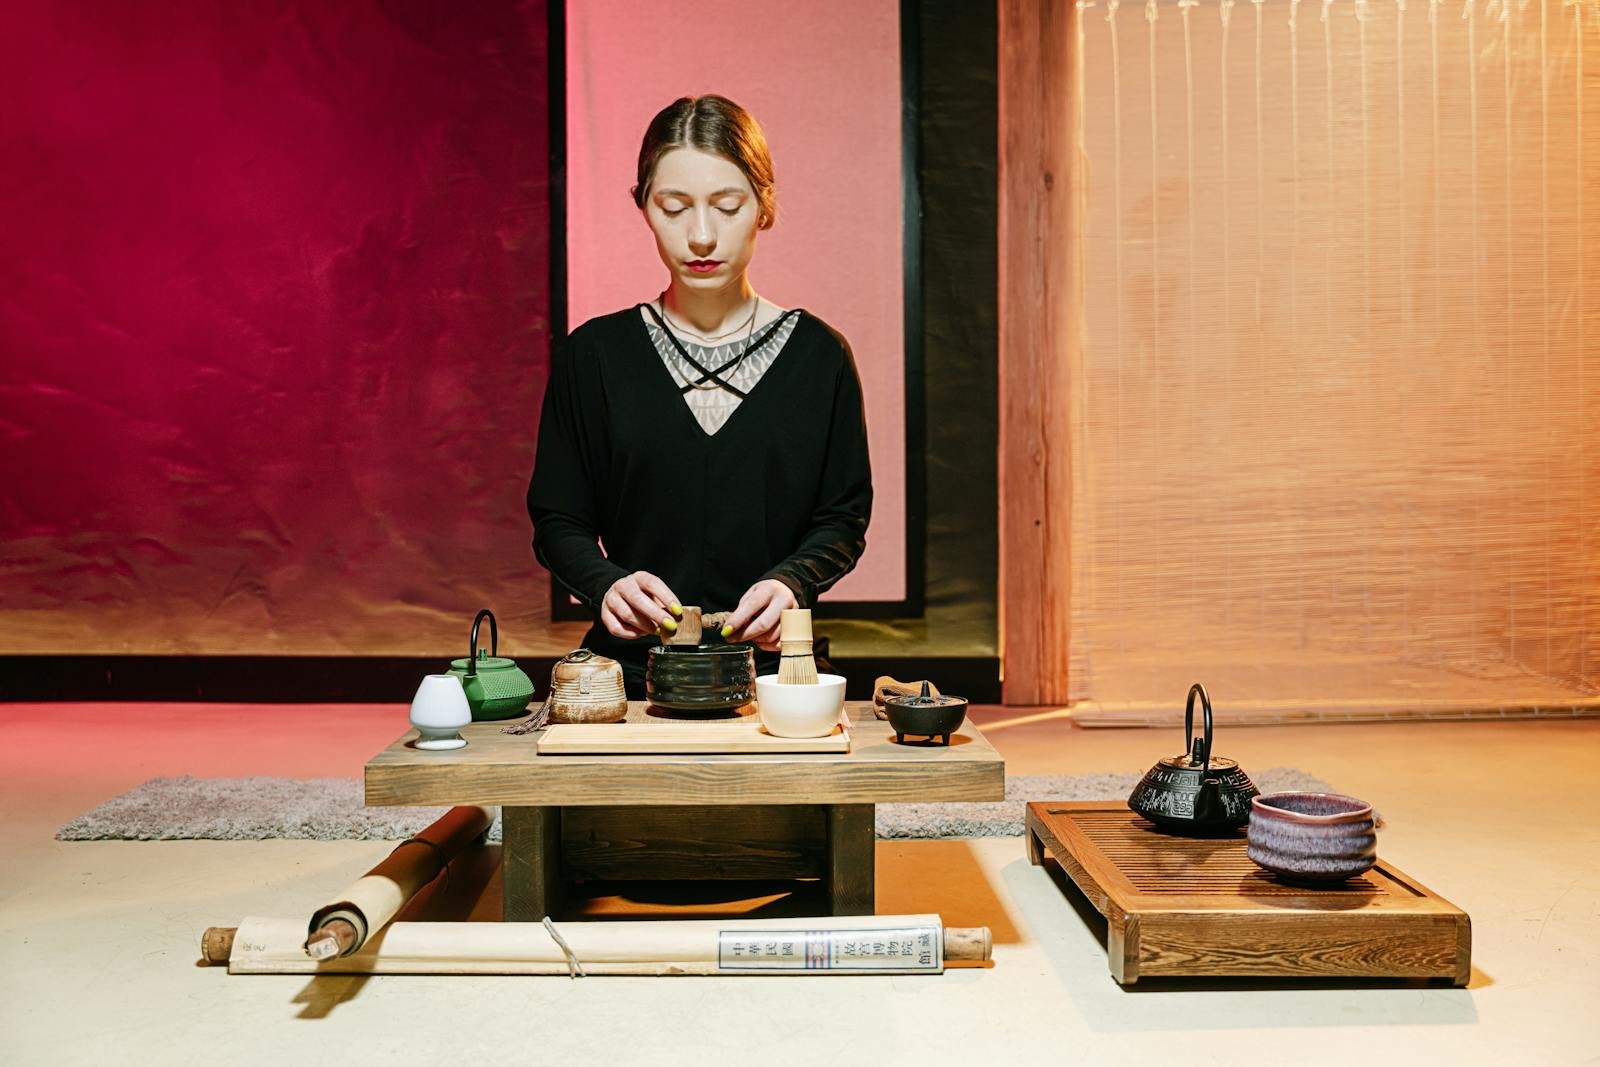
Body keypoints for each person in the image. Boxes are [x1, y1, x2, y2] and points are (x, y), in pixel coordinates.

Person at [527, 94, 873, 698]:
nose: (702, 235)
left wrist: (793, 583)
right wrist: (606, 582)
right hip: (628, 675)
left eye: (728, 206)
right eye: (674, 207)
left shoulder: (821, 356)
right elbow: (559, 519)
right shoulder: (595, 355)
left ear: (764, 206)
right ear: (643, 208)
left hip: (777, 677)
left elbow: (841, 519)